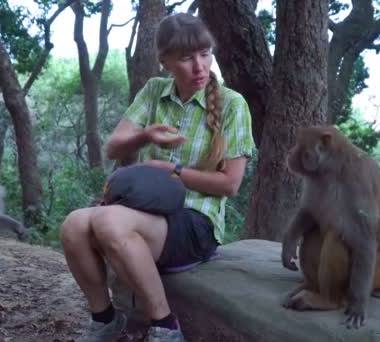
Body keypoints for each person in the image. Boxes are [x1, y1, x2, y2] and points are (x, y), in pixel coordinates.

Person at [60, 12, 255, 342]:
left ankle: (165, 327)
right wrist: (146, 136)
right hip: (145, 212)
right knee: (74, 225)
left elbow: (231, 185)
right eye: (186, 58)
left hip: (196, 222)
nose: (199, 66)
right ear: (165, 61)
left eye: (205, 54)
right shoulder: (154, 92)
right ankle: (105, 319)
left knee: (109, 222)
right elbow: (113, 147)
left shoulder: (233, 105)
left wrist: (174, 171)